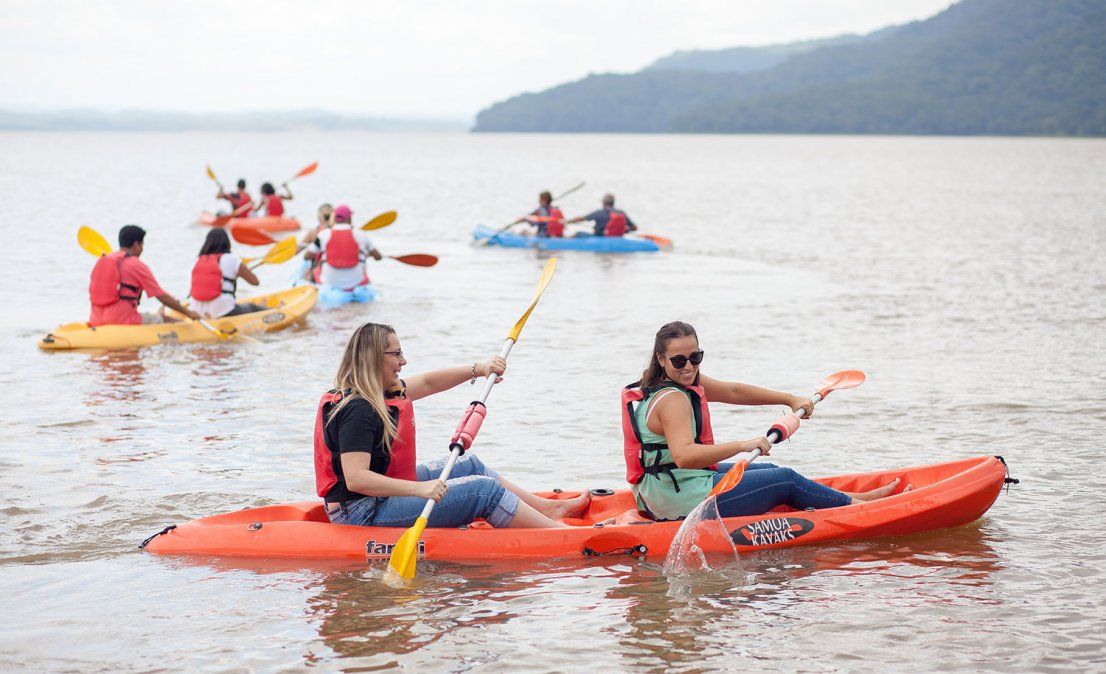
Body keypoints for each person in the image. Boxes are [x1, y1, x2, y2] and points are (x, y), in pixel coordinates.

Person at [315, 322, 592, 528]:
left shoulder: (381, 391)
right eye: (396, 354)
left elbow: (428, 383)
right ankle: (557, 535)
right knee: (482, 490)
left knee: (469, 464)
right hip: (361, 513)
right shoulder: (358, 409)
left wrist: (480, 369)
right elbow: (357, 478)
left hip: (380, 498)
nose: (403, 361)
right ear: (374, 359)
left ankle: (548, 510)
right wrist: (420, 490)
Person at [622, 321, 904, 521]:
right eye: (679, 361)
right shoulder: (673, 399)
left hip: (669, 486)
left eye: (695, 357)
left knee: (768, 468)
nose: (689, 367)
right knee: (784, 480)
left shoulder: (675, 382)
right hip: (677, 498)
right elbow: (684, 456)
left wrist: (789, 399)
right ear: (662, 359)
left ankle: (860, 501)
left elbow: (734, 391)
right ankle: (862, 510)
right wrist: (744, 444)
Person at [88, 225, 200, 326]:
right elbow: (161, 296)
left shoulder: (103, 261)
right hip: (123, 321)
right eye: (142, 245)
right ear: (136, 245)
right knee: (169, 321)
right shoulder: (136, 265)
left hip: (96, 319)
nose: (142, 249)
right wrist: (189, 313)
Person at [189, 229, 264, 318]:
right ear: (227, 242)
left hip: (196, 311)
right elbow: (255, 282)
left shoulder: (198, 260)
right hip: (223, 311)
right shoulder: (231, 258)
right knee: (251, 307)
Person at [303, 205, 382, 288]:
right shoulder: (361, 234)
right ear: (349, 219)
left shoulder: (323, 235)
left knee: (312, 271)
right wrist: (365, 254)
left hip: (329, 282)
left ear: (334, 219)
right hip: (356, 282)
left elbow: (306, 256)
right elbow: (378, 257)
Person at [565, 193, 638, 237]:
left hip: (599, 237)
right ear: (613, 203)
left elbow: (581, 219)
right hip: (618, 237)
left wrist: (567, 222)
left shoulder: (599, 212)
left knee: (578, 234)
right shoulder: (621, 213)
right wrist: (624, 230)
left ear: (603, 203)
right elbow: (634, 228)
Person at [297, 203, 334, 281]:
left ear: (319, 217)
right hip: (334, 270)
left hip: (317, 270)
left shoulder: (313, 232)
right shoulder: (337, 232)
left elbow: (298, 251)